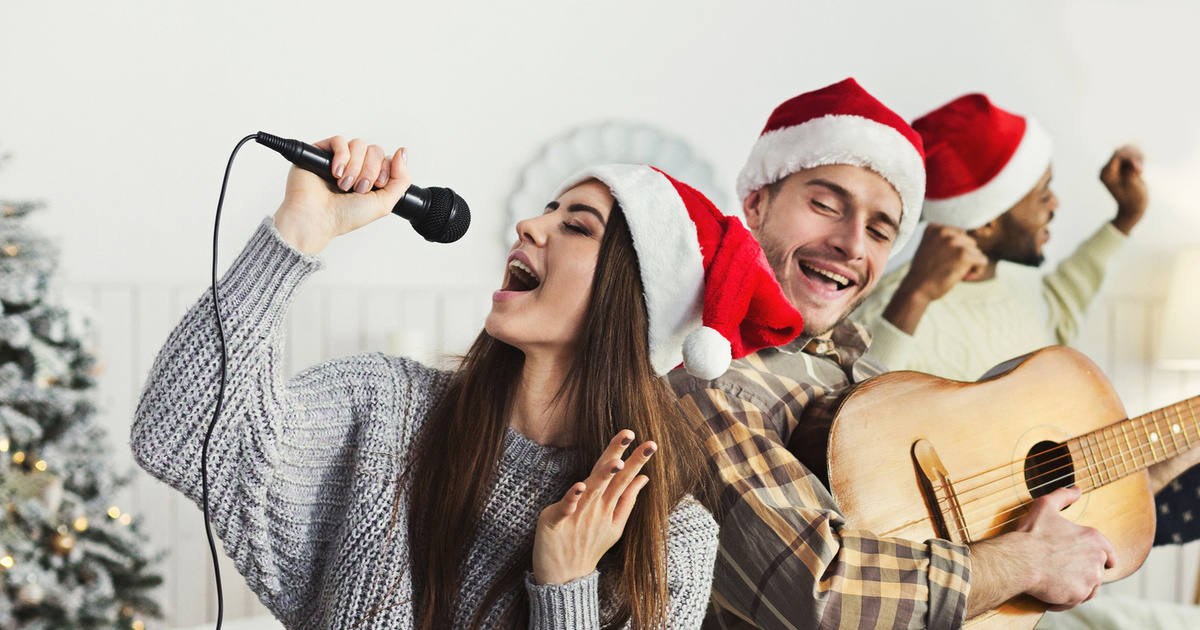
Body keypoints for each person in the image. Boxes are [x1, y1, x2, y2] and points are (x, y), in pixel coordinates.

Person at [131, 139, 804, 628]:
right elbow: (176, 432)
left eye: (575, 225)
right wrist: (298, 234)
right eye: (549, 208)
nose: (529, 225)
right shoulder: (385, 406)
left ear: (634, 302)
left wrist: (564, 585)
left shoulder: (669, 541)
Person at [667, 79, 1121, 629]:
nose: (853, 244)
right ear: (757, 203)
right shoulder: (712, 380)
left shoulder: (862, 365)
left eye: (881, 231)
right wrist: (1026, 560)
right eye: (825, 204)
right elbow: (824, 595)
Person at [854, 93, 1200, 545]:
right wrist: (913, 296)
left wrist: (1125, 219)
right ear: (983, 224)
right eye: (1041, 193)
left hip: (1057, 511)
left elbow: (1056, 315)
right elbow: (859, 413)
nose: (1055, 204)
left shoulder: (1013, 284)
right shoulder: (897, 307)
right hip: (976, 548)